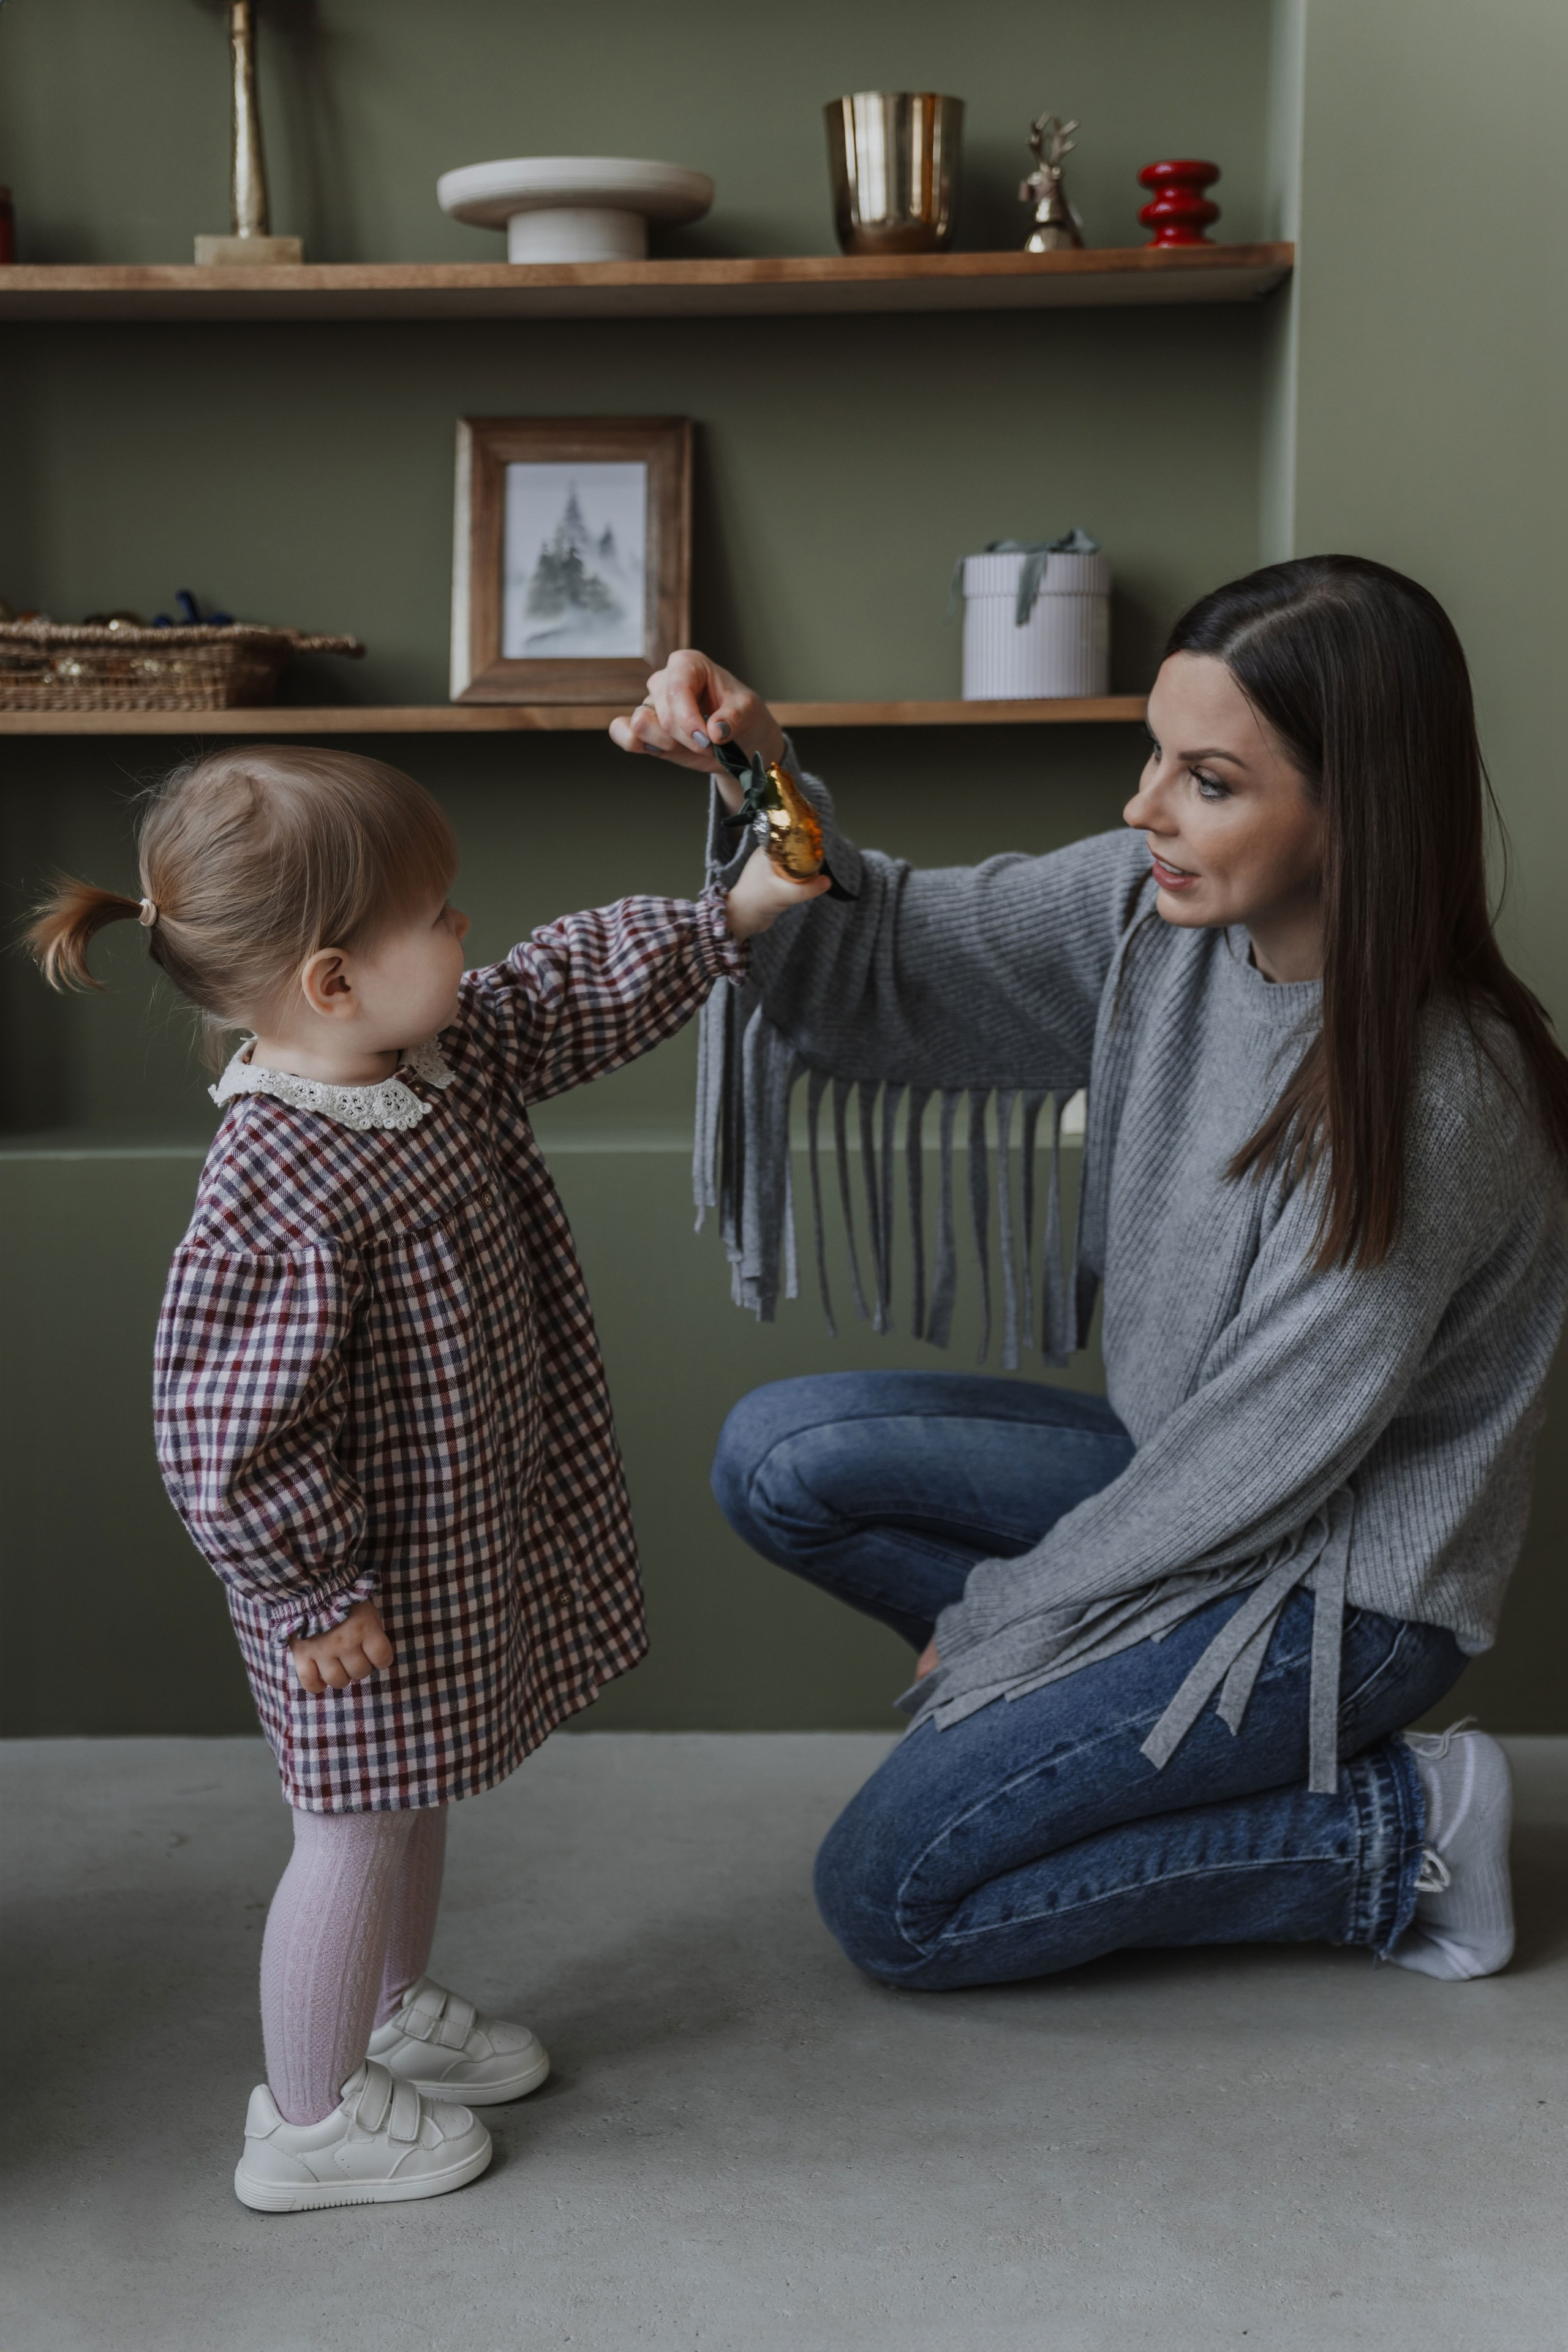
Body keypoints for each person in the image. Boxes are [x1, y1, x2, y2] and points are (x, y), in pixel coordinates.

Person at [612, 554, 1568, 1994]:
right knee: (781, 1456)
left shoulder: (1437, 1099)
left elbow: (1255, 1468)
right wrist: (761, 774)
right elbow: (887, 956)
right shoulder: (1151, 908)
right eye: (1151, 756)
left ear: (1357, 809)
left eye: (1206, 781)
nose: (1142, 809)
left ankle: (1391, 1831)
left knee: (890, 1902)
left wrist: (1006, 1624)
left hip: (1331, 1588)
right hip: (1175, 1481)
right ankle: (1115, 1738)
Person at [28, 744, 809, 2211]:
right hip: (352, 1588)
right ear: (331, 982)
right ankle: (307, 2118)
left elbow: (564, 990)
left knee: (416, 1785)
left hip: (441, 1541)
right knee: (352, 1825)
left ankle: (386, 2014)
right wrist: (314, 1591)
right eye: (437, 916)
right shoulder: (277, 1186)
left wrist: (731, 915)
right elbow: (225, 1431)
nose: (466, 933)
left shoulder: (435, 1057)